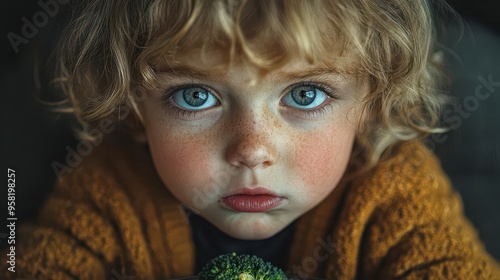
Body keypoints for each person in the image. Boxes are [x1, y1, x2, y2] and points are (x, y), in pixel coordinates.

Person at [3, 0, 500, 279]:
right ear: (135, 110)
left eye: (305, 94)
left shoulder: (395, 190)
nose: (252, 150)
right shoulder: (105, 187)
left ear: (370, 106)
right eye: (195, 96)